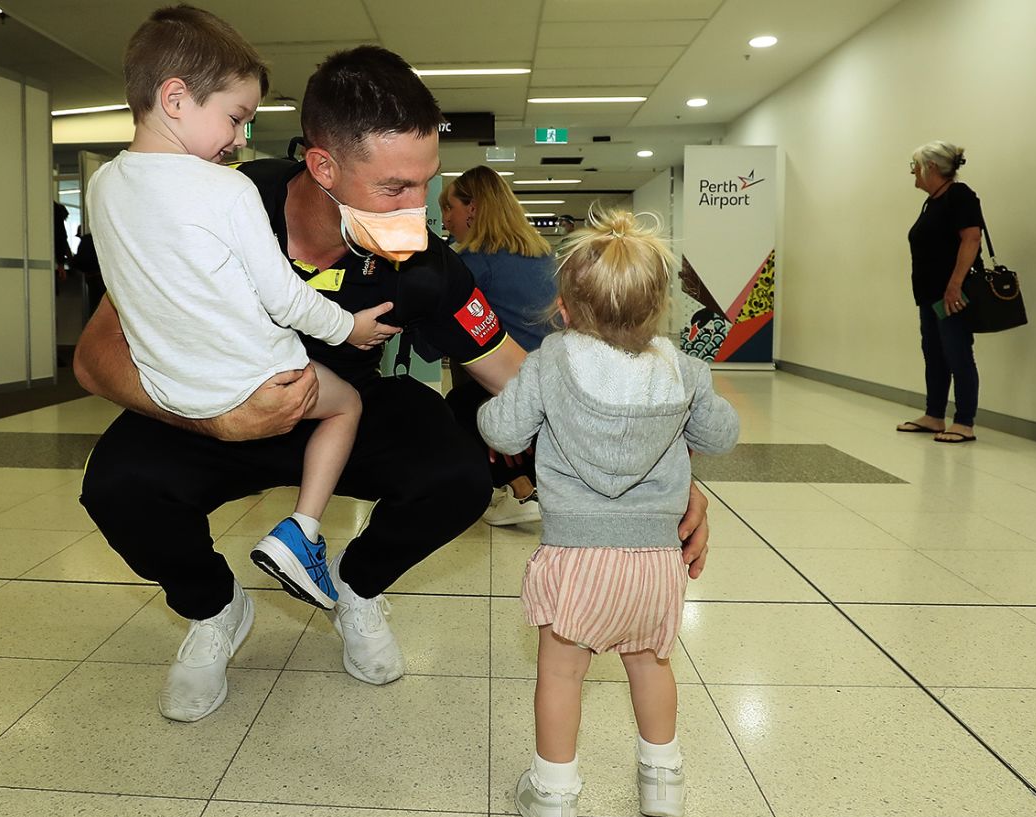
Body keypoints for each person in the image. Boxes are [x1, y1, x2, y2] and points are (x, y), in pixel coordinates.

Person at [74, 40, 712, 724]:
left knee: (460, 471)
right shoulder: (221, 199)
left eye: (427, 183)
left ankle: (356, 584)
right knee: (116, 485)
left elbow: (532, 382)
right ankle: (215, 609)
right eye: (393, 188)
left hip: (343, 411)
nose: (418, 209)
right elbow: (96, 357)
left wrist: (658, 467)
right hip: (212, 408)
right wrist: (212, 421)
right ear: (322, 165)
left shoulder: (426, 267)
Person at [88, 6, 400, 610]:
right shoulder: (228, 189)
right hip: (258, 376)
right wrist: (350, 328)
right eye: (235, 118)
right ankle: (302, 533)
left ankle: (219, 601)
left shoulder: (104, 186)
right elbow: (283, 298)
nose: (239, 140)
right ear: (175, 98)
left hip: (173, 391)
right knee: (347, 405)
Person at [478, 208, 738, 817]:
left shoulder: (552, 360)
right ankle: (663, 782)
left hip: (575, 558)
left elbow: (503, 430)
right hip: (654, 563)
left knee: (562, 673)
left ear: (564, 308)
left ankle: (555, 798)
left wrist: (497, 409)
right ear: (657, 311)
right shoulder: (678, 367)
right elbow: (721, 435)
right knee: (651, 666)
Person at [440, 166, 557, 527]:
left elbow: (439, 315)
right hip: (555, 374)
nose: (445, 219)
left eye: (450, 208)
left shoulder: (474, 262)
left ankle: (518, 488)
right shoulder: (542, 253)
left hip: (516, 384)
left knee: (459, 406)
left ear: (472, 210)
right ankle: (528, 482)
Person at [896, 141, 982, 444]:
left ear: (930, 167)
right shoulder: (933, 201)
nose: (913, 174)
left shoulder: (959, 196)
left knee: (957, 353)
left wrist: (955, 285)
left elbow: (971, 239)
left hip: (952, 295)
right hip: (930, 294)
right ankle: (934, 415)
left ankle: (964, 422)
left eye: (914, 167)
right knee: (934, 354)